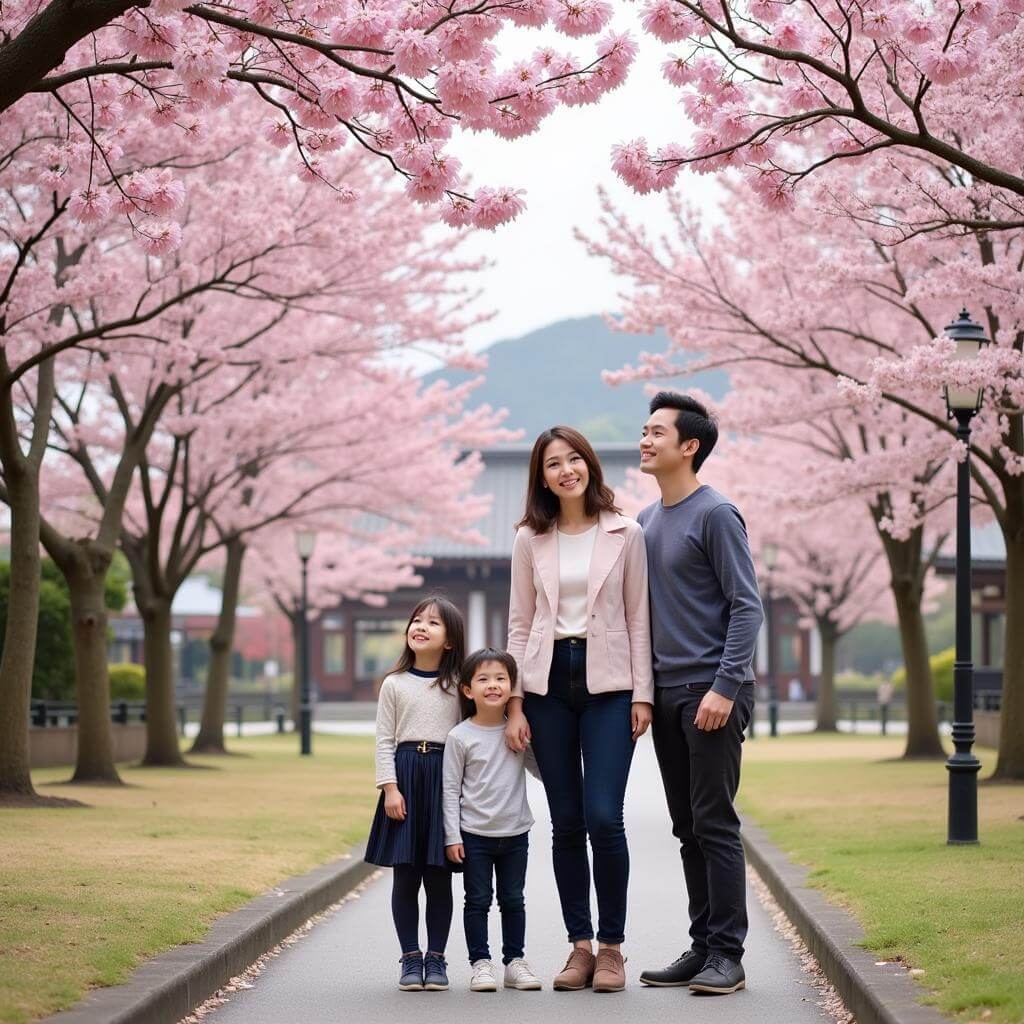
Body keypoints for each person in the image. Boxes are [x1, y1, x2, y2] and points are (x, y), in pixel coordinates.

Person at [505, 426, 653, 994]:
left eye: (573, 459)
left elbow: (639, 617)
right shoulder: (529, 538)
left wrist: (643, 694)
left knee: (602, 817)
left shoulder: (626, 532)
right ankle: (580, 947)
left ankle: (613, 948)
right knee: (565, 822)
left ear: (589, 464)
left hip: (610, 686)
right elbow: (519, 623)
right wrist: (515, 703)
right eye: (552, 465)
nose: (565, 471)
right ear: (540, 477)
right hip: (546, 688)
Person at [635, 392, 764, 996]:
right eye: (644, 430)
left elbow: (747, 606)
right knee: (686, 825)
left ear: (689, 446)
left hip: (711, 694)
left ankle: (729, 955)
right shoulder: (646, 520)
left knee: (714, 822)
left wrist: (724, 685)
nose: (645, 439)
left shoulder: (717, 514)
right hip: (666, 696)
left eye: (657, 432)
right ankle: (703, 946)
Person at [365, 595, 465, 993]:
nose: (421, 626)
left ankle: (437, 959)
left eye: (433, 623)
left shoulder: (460, 685)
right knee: (405, 875)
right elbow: (384, 740)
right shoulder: (394, 683)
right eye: (417, 620)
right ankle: (410, 957)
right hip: (405, 779)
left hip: (445, 780)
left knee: (439, 877)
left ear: (450, 641)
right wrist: (390, 787)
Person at [443, 647, 543, 993]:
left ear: (511, 687)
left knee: (514, 899)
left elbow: (539, 771)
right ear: (468, 690)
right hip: (474, 835)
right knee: (478, 900)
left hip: (515, 832)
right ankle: (480, 963)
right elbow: (449, 790)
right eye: (483, 679)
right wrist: (451, 835)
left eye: (501, 678)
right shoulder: (460, 737)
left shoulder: (515, 730)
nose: (493, 685)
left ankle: (514, 962)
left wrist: (540, 745)